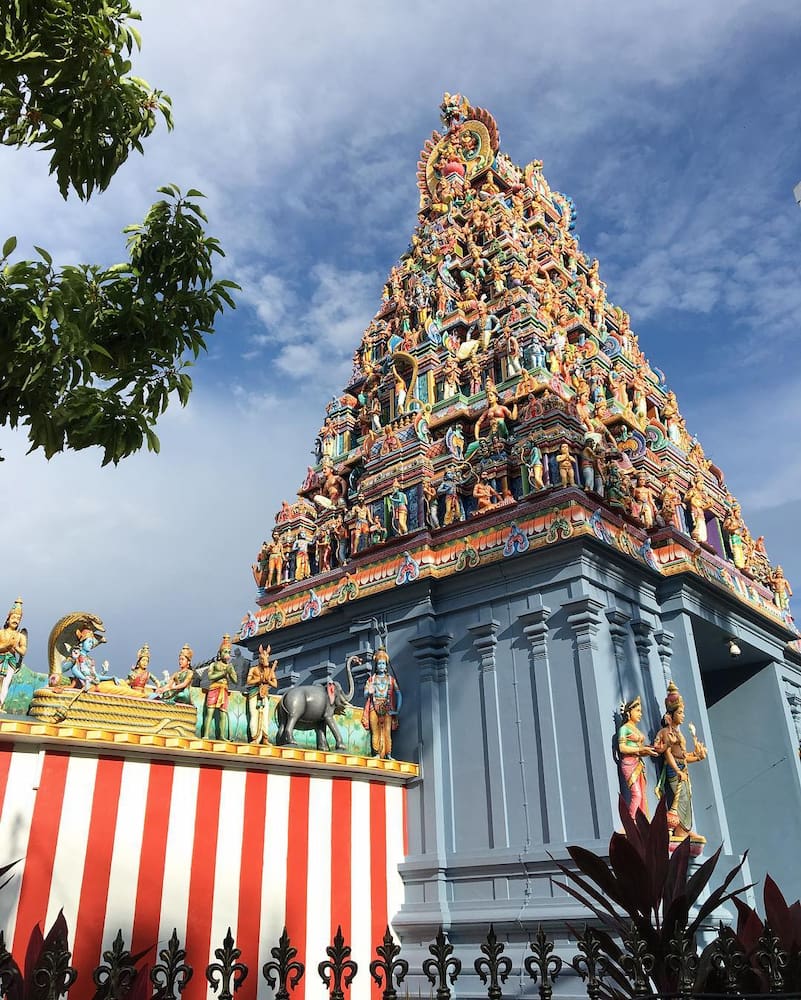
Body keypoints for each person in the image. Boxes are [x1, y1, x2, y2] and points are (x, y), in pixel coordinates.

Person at [654, 682, 707, 845]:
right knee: (680, 800)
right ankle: (680, 831)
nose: (683, 716)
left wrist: (697, 756)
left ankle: (685, 829)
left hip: (682, 769)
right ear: (672, 714)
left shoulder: (679, 732)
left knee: (686, 799)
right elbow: (668, 754)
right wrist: (677, 770)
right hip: (674, 770)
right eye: (681, 712)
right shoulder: (666, 732)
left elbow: (683, 756)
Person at [617, 696, 658, 819]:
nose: (640, 714)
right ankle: (631, 823)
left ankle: (641, 822)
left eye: (641, 711)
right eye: (638, 711)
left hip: (638, 763)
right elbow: (622, 748)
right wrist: (641, 749)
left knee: (642, 795)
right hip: (629, 763)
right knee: (637, 794)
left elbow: (640, 750)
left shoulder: (635, 729)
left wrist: (649, 751)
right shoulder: (624, 729)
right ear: (629, 712)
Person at [360, 648, 402, 760]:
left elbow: (398, 694)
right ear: (376, 665)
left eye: (383, 663)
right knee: (375, 731)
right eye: (379, 664)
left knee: (387, 732)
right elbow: (365, 694)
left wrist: (397, 710)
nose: (381, 666)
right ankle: (377, 753)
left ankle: (388, 754)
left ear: (386, 665)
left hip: (387, 708)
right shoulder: (371, 680)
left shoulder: (391, 680)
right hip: (374, 707)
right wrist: (368, 692)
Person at [202, 635, 238, 740]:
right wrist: (223, 673)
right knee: (210, 712)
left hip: (224, 689)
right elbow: (210, 677)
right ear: (220, 654)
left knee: (223, 713)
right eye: (225, 652)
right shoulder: (214, 665)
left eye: (228, 652)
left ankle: (222, 735)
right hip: (214, 688)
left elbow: (235, 681)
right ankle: (206, 734)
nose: (227, 654)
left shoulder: (229, 666)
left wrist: (231, 672)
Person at [246, 644, 278, 744]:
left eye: (266, 658)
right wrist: (259, 679)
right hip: (254, 693)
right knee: (254, 715)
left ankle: (265, 738)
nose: (265, 661)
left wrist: (268, 681)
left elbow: (275, 684)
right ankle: (255, 737)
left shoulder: (269, 671)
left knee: (265, 716)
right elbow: (248, 681)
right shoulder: (253, 669)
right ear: (259, 659)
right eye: (262, 658)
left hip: (265, 694)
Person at [0, 597, 26, 710]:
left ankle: (0, 704)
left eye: (18, 618)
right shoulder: (1, 633)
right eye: (14, 617)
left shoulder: (20, 636)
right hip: (1, 658)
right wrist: (6, 646)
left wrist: (15, 647)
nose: (16, 620)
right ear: (8, 618)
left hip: (11, 662)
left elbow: (23, 651)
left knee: (5, 684)